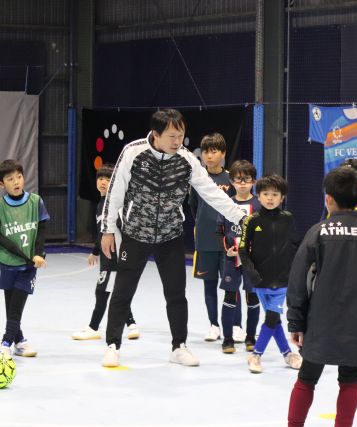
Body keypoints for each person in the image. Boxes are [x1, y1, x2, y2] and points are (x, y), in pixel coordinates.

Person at [100, 108, 246, 368]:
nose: (178, 141)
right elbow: (116, 191)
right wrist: (109, 229)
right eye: (172, 136)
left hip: (170, 235)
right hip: (136, 234)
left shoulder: (187, 160)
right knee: (123, 291)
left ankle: (179, 346)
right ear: (156, 134)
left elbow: (211, 193)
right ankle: (113, 345)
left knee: (176, 293)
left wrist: (239, 217)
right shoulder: (133, 153)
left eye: (181, 135)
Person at [286, 166, 357, 427]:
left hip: (319, 322)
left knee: (306, 378)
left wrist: (296, 322)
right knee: (350, 379)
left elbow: (298, 282)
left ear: (328, 198)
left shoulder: (318, 233)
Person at [0, 159, 50, 357]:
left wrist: (38, 252)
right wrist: (2, 246)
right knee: (12, 305)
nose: (16, 182)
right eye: (10, 179)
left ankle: (6, 343)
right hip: (7, 264)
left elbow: (42, 229)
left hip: (29, 264)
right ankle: (20, 341)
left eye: (19, 177)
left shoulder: (35, 201)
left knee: (17, 303)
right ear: (1, 184)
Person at [238, 174, 302, 373]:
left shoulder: (288, 219)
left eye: (275, 194)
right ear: (258, 196)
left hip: (283, 280)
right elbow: (242, 250)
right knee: (274, 319)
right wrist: (251, 272)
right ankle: (287, 354)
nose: (270, 198)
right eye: (266, 194)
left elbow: (297, 245)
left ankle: (256, 355)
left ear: (282, 197)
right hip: (261, 280)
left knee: (272, 317)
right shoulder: (251, 220)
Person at [72, 164, 139, 341]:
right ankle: (131, 324)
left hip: (114, 254)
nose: (103, 182)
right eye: (100, 178)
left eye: (108, 179)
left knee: (102, 291)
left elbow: (109, 231)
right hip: (109, 254)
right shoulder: (101, 204)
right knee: (117, 290)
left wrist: (97, 251)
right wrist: (97, 251)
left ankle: (93, 327)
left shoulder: (112, 204)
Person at [189, 133, 243, 343]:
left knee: (232, 285)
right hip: (205, 241)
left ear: (223, 153)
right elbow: (194, 207)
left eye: (214, 151)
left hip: (229, 243)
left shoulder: (231, 180)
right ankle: (213, 325)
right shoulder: (197, 180)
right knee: (209, 285)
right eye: (205, 152)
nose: (209, 156)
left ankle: (236, 325)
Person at [216, 160, 261, 353]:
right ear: (232, 182)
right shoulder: (226, 204)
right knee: (229, 297)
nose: (242, 183)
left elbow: (264, 233)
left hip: (253, 261)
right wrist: (227, 248)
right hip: (231, 259)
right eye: (238, 180)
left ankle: (251, 337)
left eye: (247, 179)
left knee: (252, 297)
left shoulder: (259, 205)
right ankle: (227, 339)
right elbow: (220, 230)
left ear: (253, 181)